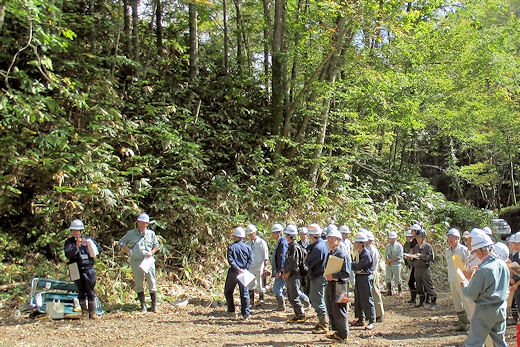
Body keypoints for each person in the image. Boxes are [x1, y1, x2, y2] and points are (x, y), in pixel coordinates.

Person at [460, 233, 510, 347]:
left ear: (479, 251)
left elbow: (471, 294)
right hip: (501, 308)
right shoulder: (502, 264)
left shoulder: (483, 270)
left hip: (485, 311)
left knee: (473, 343)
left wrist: (464, 286)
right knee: (500, 342)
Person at [119, 213, 160, 312]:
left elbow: (157, 245)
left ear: (147, 224)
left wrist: (152, 252)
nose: (142, 225)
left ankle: (154, 306)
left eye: (144, 223)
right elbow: (121, 242)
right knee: (138, 283)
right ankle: (143, 306)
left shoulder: (151, 234)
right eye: (140, 222)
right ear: (137, 223)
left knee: (151, 281)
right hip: (136, 260)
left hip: (148, 260)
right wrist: (128, 250)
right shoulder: (131, 233)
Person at [64, 219, 102, 320]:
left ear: (81, 231)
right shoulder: (69, 242)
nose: (74, 232)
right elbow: (68, 254)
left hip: (88, 267)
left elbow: (99, 250)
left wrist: (91, 248)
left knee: (90, 290)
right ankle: (84, 312)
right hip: (75, 268)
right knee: (80, 290)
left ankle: (92, 312)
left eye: (77, 230)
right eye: (73, 230)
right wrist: (76, 247)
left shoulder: (88, 240)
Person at [323, 228, 351, 342]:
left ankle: (343, 334)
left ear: (338, 241)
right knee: (331, 307)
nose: (329, 241)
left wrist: (333, 276)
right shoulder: (331, 253)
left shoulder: (342, 254)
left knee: (339, 309)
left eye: (332, 239)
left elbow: (346, 272)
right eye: (329, 239)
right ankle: (336, 331)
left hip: (339, 285)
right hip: (331, 284)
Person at [224, 226, 253, 320]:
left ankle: (231, 311)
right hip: (244, 273)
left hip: (233, 272)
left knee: (228, 291)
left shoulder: (231, 247)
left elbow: (231, 260)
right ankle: (246, 314)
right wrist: (245, 269)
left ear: (235, 236)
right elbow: (251, 260)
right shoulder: (247, 247)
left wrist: (237, 269)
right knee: (244, 293)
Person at [305, 223, 329, 334]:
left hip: (318, 276)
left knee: (317, 300)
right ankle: (322, 321)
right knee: (317, 298)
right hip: (319, 275)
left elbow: (308, 261)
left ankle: (324, 324)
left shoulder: (318, 248)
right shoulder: (322, 245)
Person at [444, 228, 470, 330]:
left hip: (462, 279)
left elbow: (468, 263)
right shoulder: (447, 251)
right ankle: (462, 323)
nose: (450, 240)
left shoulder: (463, 249)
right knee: (457, 302)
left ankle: (472, 323)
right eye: (449, 238)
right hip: (452, 279)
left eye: (452, 238)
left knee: (466, 300)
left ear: (458, 238)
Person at [282, 224, 308, 323]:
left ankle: (301, 314)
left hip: (294, 275)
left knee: (294, 295)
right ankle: (297, 314)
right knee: (290, 295)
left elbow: (294, 263)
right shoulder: (291, 247)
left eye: (287, 235)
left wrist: (288, 273)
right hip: (291, 275)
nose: (286, 237)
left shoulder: (295, 248)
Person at [351, 231, 376, 330]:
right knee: (358, 299)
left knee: (366, 299)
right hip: (359, 277)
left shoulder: (366, 254)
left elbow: (358, 266)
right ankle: (360, 318)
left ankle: (371, 320)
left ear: (361, 243)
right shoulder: (358, 253)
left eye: (356, 242)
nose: (354, 244)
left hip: (365, 277)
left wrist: (352, 265)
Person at [411, 229, 437, 310]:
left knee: (428, 285)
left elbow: (430, 257)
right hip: (417, 269)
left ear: (423, 238)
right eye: (417, 237)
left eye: (419, 237)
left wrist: (421, 255)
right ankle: (421, 302)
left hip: (424, 269)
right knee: (418, 286)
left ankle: (433, 302)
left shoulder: (428, 246)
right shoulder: (415, 247)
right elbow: (415, 258)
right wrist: (411, 257)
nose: (418, 239)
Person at [245, 224, 269, 307]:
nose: (250, 235)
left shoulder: (262, 242)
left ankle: (261, 299)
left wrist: (265, 266)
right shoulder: (247, 243)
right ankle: (251, 301)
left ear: (255, 232)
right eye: (249, 234)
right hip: (250, 266)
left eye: (252, 233)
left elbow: (266, 255)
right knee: (250, 284)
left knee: (260, 283)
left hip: (260, 266)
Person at [363, 229, 384, 322]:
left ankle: (379, 314)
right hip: (366, 273)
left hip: (372, 272)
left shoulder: (373, 250)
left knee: (375, 292)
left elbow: (373, 264)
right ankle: (370, 313)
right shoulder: (365, 249)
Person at [271, 222, 288, 311]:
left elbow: (282, 257)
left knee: (276, 288)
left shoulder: (282, 243)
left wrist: (279, 270)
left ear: (278, 233)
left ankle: (281, 306)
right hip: (282, 270)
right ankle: (306, 301)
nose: (272, 235)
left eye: (273, 233)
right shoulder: (280, 242)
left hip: (283, 270)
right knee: (293, 289)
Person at [406, 223, 422, 304]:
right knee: (411, 282)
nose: (411, 232)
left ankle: (425, 299)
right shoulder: (413, 241)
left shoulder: (420, 241)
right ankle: (413, 299)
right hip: (414, 264)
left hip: (420, 265)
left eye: (412, 231)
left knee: (421, 282)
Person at [384, 231, 403, 297]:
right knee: (388, 278)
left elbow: (399, 256)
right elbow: (386, 254)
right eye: (390, 238)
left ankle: (400, 291)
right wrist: (387, 261)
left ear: (396, 238)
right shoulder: (387, 246)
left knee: (398, 278)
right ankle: (389, 291)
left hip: (396, 264)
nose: (391, 240)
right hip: (389, 265)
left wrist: (391, 260)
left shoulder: (399, 246)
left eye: (393, 238)